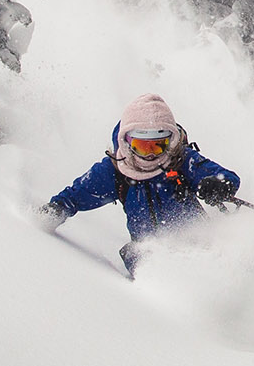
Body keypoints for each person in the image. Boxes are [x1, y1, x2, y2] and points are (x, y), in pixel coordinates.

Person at [40, 93, 240, 275]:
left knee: (218, 263)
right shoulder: (114, 170)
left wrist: (218, 185)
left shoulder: (182, 160)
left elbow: (224, 176)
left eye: (158, 144)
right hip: (149, 252)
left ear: (170, 141)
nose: (151, 153)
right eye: (142, 146)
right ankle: (160, 293)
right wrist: (54, 211)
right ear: (126, 141)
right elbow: (77, 196)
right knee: (136, 254)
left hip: (200, 243)